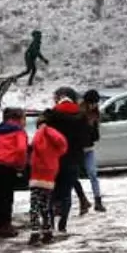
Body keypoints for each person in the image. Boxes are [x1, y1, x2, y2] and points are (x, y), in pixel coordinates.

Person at [45, 86, 90, 234]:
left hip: (55, 159)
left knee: (51, 193)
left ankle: (50, 223)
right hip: (73, 160)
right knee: (66, 193)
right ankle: (62, 225)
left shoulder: (52, 114)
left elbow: (46, 136)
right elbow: (86, 139)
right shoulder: (82, 116)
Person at [28, 110, 68, 246]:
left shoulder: (41, 133)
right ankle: (47, 231)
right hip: (50, 174)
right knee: (45, 205)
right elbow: (62, 145)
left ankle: (35, 233)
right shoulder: (54, 136)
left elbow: (34, 145)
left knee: (34, 205)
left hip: (38, 174)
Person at [0, 107, 28, 238]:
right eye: (24, 118)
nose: (25, 122)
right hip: (9, 166)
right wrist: (21, 165)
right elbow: (22, 150)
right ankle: (6, 226)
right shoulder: (19, 132)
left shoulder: (2, 130)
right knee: (7, 198)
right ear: (19, 119)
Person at [79, 89, 105, 213]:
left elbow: (96, 136)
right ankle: (82, 200)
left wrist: (94, 130)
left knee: (93, 174)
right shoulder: (78, 113)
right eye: (93, 103)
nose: (95, 105)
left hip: (89, 149)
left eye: (96, 103)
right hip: (77, 150)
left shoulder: (95, 114)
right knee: (72, 177)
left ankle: (98, 201)